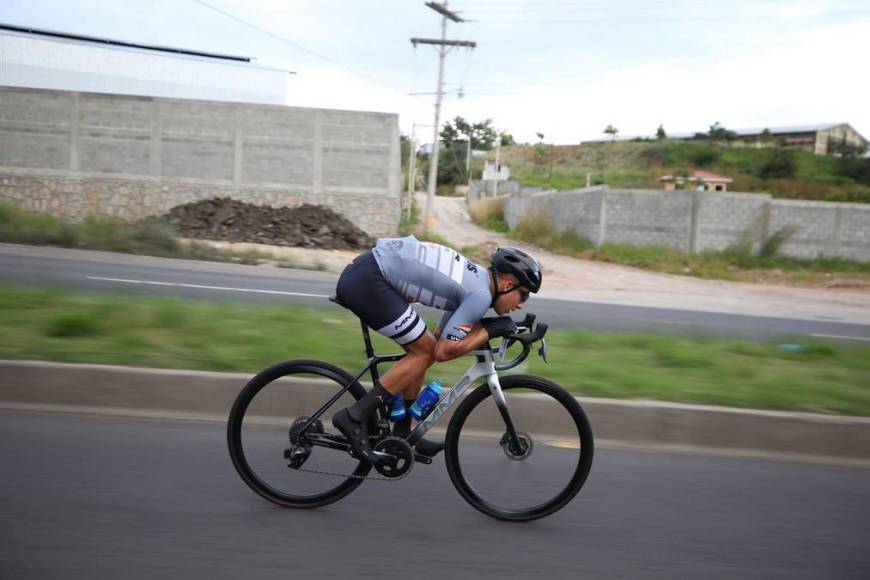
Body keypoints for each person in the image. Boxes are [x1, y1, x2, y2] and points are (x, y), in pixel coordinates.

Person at [331, 235, 542, 462]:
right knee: (424, 351)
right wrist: (490, 330)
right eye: (524, 294)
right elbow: (444, 352)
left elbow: (444, 337)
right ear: (508, 284)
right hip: (369, 280)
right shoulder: (480, 295)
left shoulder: (478, 281)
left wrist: (491, 328)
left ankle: (403, 433)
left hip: (366, 271)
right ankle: (354, 416)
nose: (521, 304)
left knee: (424, 347)